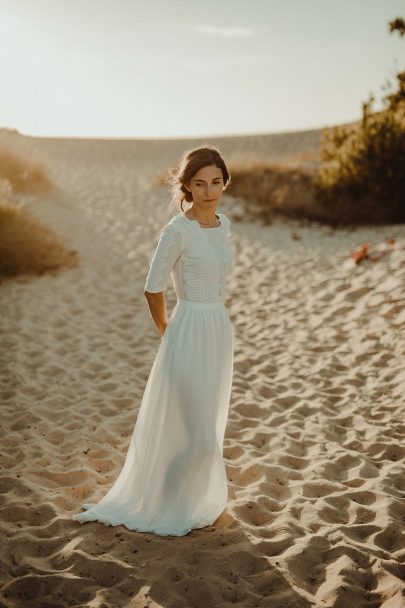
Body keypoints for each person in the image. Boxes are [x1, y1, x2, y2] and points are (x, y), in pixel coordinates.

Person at [72, 145, 234, 536]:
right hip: (188, 328)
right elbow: (152, 288)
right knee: (200, 440)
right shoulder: (177, 231)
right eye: (200, 183)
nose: (209, 191)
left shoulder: (224, 225)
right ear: (187, 186)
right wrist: (169, 333)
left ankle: (183, 503)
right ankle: (159, 505)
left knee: (209, 430)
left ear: (225, 182)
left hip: (218, 330)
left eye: (216, 182)